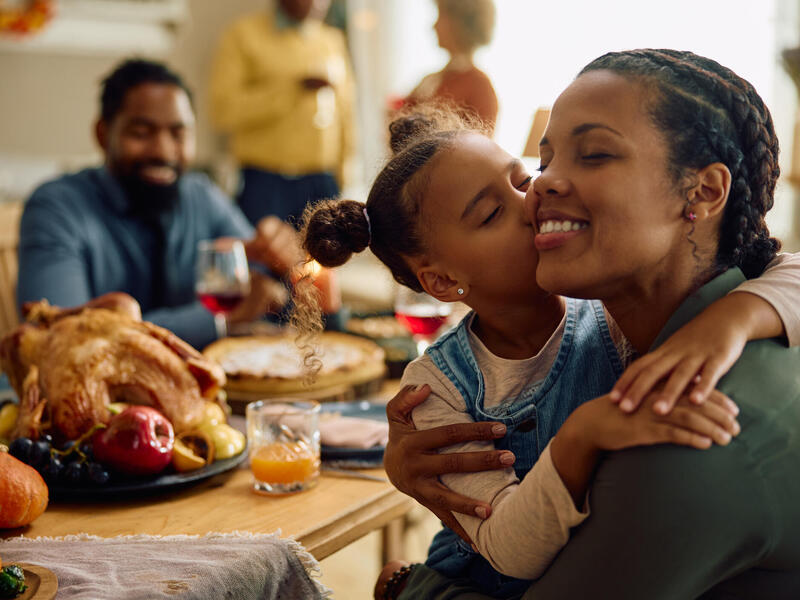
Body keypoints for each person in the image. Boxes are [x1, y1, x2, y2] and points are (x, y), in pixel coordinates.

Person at [297, 103, 800, 597]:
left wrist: (733, 319)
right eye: (493, 211)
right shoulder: (436, 391)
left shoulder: (608, 305)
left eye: (523, 179)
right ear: (444, 280)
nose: (531, 201)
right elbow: (508, 551)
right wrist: (584, 433)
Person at [18, 58, 304, 351]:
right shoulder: (56, 208)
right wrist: (218, 320)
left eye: (178, 133)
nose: (163, 150)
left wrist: (280, 260)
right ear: (103, 134)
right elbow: (61, 340)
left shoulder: (201, 195)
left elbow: (266, 289)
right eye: (141, 133)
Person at [209, 0, 356, 227]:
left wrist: (345, 173)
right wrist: (290, 91)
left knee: (324, 261)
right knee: (266, 261)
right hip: (265, 184)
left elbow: (346, 112)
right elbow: (224, 110)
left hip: (323, 181)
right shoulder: (243, 36)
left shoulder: (331, 41)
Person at [403, 0, 499, 133]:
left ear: (459, 23)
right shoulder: (432, 80)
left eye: (441, 17)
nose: (434, 26)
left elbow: (482, 145)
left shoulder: (479, 86)